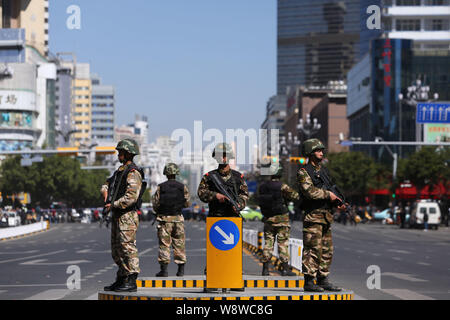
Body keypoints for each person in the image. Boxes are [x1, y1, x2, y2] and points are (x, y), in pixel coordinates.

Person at [197, 142, 249, 292]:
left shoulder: (239, 177)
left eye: (225, 155)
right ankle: (212, 280)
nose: (223, 158)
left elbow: (244, 195)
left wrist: (239, 204)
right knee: (215, 252)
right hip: (216, 217)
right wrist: (215, 196)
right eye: (220, 155)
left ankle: (234, 279)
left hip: (233, 218)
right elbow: (201, 193)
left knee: (234, 252)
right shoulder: (209, 177)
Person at [297, 138, 343, 292]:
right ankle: (309, 281)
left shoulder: (323, 172)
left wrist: (338, 202)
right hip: (313, 216)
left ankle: (323, 278)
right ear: (310, 153)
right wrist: (327, 194)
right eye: (318, 150)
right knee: (312, 249)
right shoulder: (304, 172)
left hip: (326, 216)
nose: (321, 153)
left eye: (322, 150)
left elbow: (331, 190)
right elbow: (309, 192)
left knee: (327, 249)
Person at [101, 139, 144, 292]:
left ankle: (132, 280)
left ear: (128, 154)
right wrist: (105, 191)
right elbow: (108, 184)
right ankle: (121, 278)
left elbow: (131, 197)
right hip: (118, 215)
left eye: (121, 152)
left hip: (127, 215)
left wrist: (113, 204)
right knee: (116, 250)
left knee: (127, 248)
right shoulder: (120, 171)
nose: (118, 154)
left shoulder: (133, 172)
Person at [257, 164, 299, 276]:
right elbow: (295, 196)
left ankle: (265, 269)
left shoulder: (262, 186)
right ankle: (285, 269)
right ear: (280, 174)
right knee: (283, 243)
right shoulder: (283, 186)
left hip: (268, 219)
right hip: (282, 219)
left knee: (268, 243)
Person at [152, 163, 190, 277]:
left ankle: (164, 271)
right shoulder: (182, 187)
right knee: (179, 244)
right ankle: (180, 270)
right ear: (176, 173)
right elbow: (187, 203)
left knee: (164, 245)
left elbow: (155, 203)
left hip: (164, 220)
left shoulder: (161, 187)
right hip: (178, 219)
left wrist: (159, 210)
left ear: (166, 173)